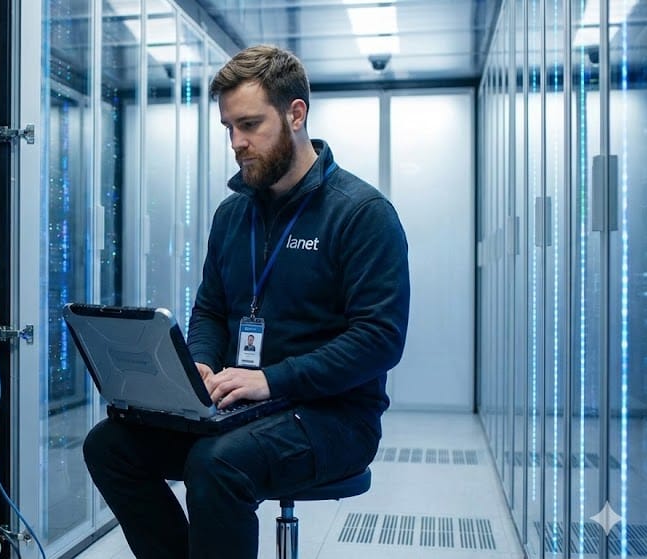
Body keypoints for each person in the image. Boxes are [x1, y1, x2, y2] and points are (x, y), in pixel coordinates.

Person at [84, 44, 411, 558]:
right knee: (109, 446)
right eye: (229, 128)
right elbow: (211, 309)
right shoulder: (232, 216)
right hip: (239, 406)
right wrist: (198, 365)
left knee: (217, 463)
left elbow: (380, 340)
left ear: (295, 114)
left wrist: (271, 379)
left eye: (250, 125)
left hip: (333, 416)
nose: (237, 142)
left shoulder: (361, 213)